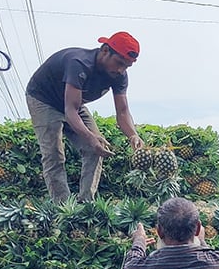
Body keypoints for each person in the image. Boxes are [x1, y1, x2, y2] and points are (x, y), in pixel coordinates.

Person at [26, 32, 145, 202]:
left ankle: (86, 203)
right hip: (44, 99)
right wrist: (90, 136)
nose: (121, 70)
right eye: (119, 63)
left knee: (97, 147)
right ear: (105, 50)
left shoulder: (119, 75)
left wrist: (133, 134)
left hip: (74, 104)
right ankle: (64, 207)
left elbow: (123, 111)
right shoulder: (79, 64)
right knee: (54, 155)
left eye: (126, 66)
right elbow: (70, 111)